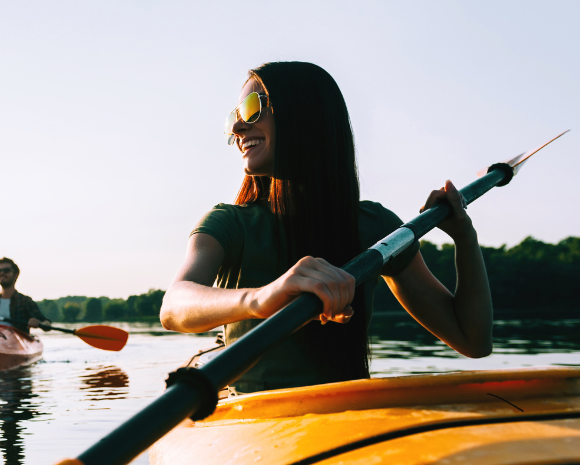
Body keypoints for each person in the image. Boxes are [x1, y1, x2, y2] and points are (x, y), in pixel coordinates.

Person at [160, 62, 493, 394]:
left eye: (252, 108)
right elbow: (173, 307)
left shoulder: (376, 227)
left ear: (304, 115)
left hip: (346, 416)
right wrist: (262, 297)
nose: (237, 126)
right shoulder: (228, 223)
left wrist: (465, 236)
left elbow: (472, 340)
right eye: (235, 114)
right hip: (250, 422)